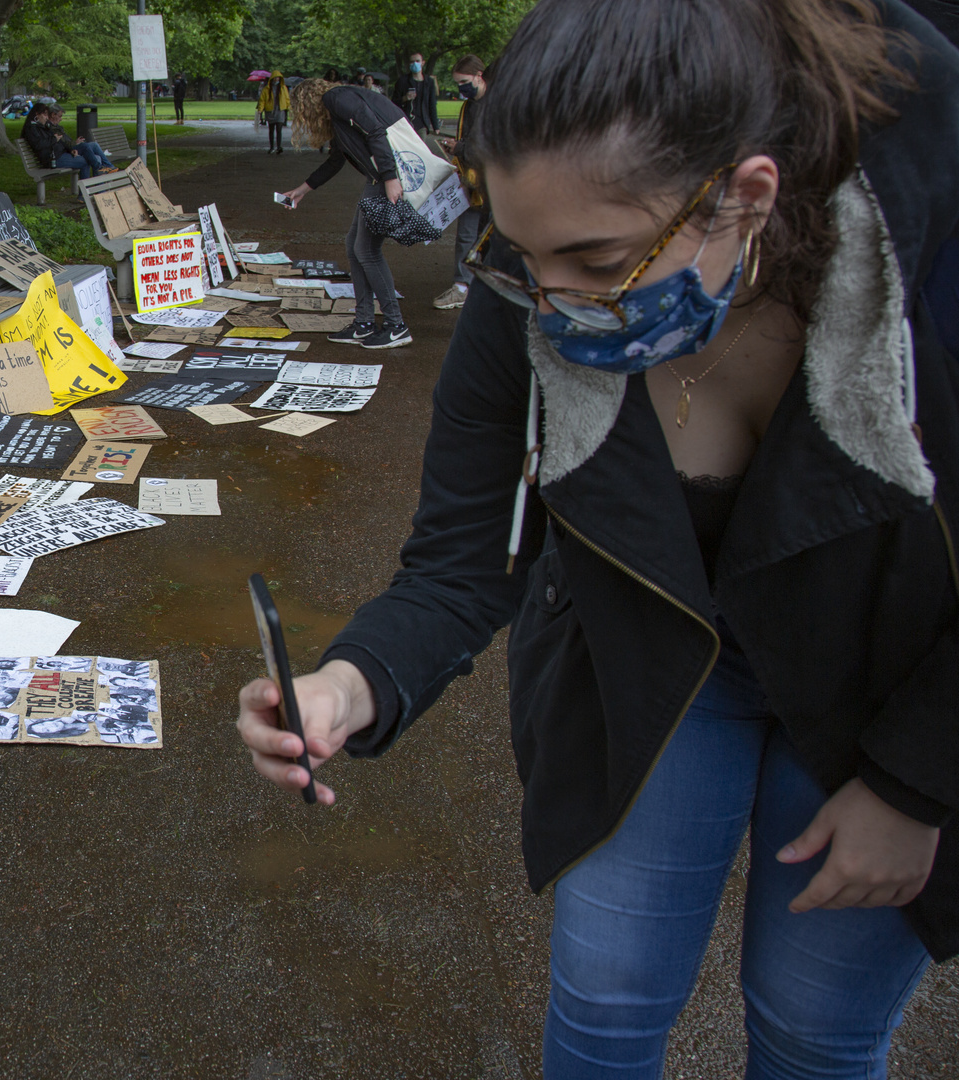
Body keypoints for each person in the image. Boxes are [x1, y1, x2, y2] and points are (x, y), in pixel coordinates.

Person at [239, 1, 959, 1075]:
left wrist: (918, 783)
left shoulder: (926, 269)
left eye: (600, 259)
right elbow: (461, 555)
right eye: (528, 258)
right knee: (605, 1005)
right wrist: (351, 685)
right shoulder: (527, 278)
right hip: (652, 667)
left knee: (816, 1030)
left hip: (894, 682)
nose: (556, 306)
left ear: (742, 195)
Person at [276, 78, 412, 349]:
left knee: (367, 250)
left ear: (308, 102)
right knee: (354, 246)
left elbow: (375, 131)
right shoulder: (338, 112)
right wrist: (303, 189)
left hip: (383, 178)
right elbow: (336, 159)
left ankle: (396, 325)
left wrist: (389, 177)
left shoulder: (336, 99)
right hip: (378, 179)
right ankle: (363, 322)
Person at [433, 54, 490, 311]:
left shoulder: (498, 104)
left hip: (495, 183)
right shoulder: (469, 106)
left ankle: (485, 287)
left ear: (480, 76)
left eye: (464, 81)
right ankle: (462, 286)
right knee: (466, 232)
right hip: (472, 177)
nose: (461, 88)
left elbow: (493, 147)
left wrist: (460, 148)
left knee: (491, 236)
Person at [22, 104, 114, 179]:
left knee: (91, 152)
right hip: (53, 159)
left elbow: (60, 141)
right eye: (45, 114)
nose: (47, 118)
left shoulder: (43, 126)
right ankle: (98, 171)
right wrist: (54, 139)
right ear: (37, 114)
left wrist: (70, 150)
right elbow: (39, 145)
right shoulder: (32, 128)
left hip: (60, 154)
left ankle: (99, 173)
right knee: (88, 159)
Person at [392, 52, 440, 136]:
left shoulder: (429, 82)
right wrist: (405, 98)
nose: (415, 63)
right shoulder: (402, 81)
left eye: (417, 61)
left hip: (422, 123)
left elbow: (432, 104)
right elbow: (394, 102)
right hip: (406, 123)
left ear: (423, 63)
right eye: (412, 61)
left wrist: (435, 126)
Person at [258, 73, 290, 154]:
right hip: (270, 111)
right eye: (275, 78)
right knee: (271, 130)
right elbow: (262, 100)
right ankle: (272, 147)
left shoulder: (283, 88)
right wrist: (260, 109)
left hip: (280, 111)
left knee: (279, 130)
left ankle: (279, 147)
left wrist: (289, 107)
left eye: (278, 78)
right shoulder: (266, 89)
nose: (277, 79)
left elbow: (287, 99)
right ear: (272, 78)